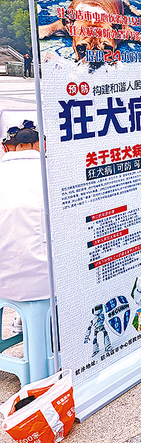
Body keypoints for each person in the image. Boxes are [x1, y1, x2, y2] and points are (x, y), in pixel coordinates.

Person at [0, 120, 50, 311]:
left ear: (7, 147)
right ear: (41, 144)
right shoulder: (52, 173)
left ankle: (22, 319)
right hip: (45, 283)